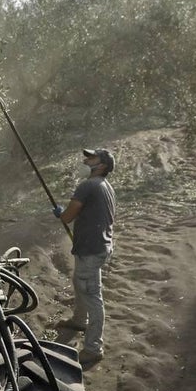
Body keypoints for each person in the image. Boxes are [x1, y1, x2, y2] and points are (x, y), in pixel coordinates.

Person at [52, 147, 116, 366]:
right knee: (81, 284)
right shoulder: (106, 186)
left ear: (103, 165)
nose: (87, 158)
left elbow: (68, 215)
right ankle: (79, 320)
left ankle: (93, 348)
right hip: (98, 246)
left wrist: (61, 214)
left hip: (91, 249)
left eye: (93, 156)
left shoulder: (88, 185)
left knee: (91, 294)